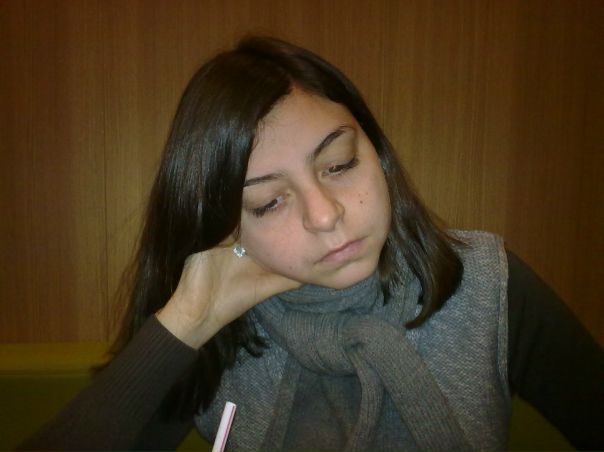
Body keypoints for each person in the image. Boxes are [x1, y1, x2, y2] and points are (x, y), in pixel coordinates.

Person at [19, 36, 603, 452]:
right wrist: (189, 319)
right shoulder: (221, 332)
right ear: (228, 224)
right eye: (268, 202)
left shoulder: (487, 286)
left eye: (339, 164)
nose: (325, 216)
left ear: (377, 152)